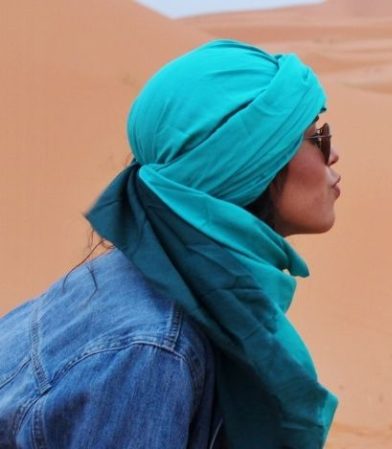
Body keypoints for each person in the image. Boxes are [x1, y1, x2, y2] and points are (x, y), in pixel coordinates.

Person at [0, 40, 341, 448]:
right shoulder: (151, 352)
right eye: (316, 136)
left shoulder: (138, 280)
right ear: (247, 163)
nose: (333, 154)